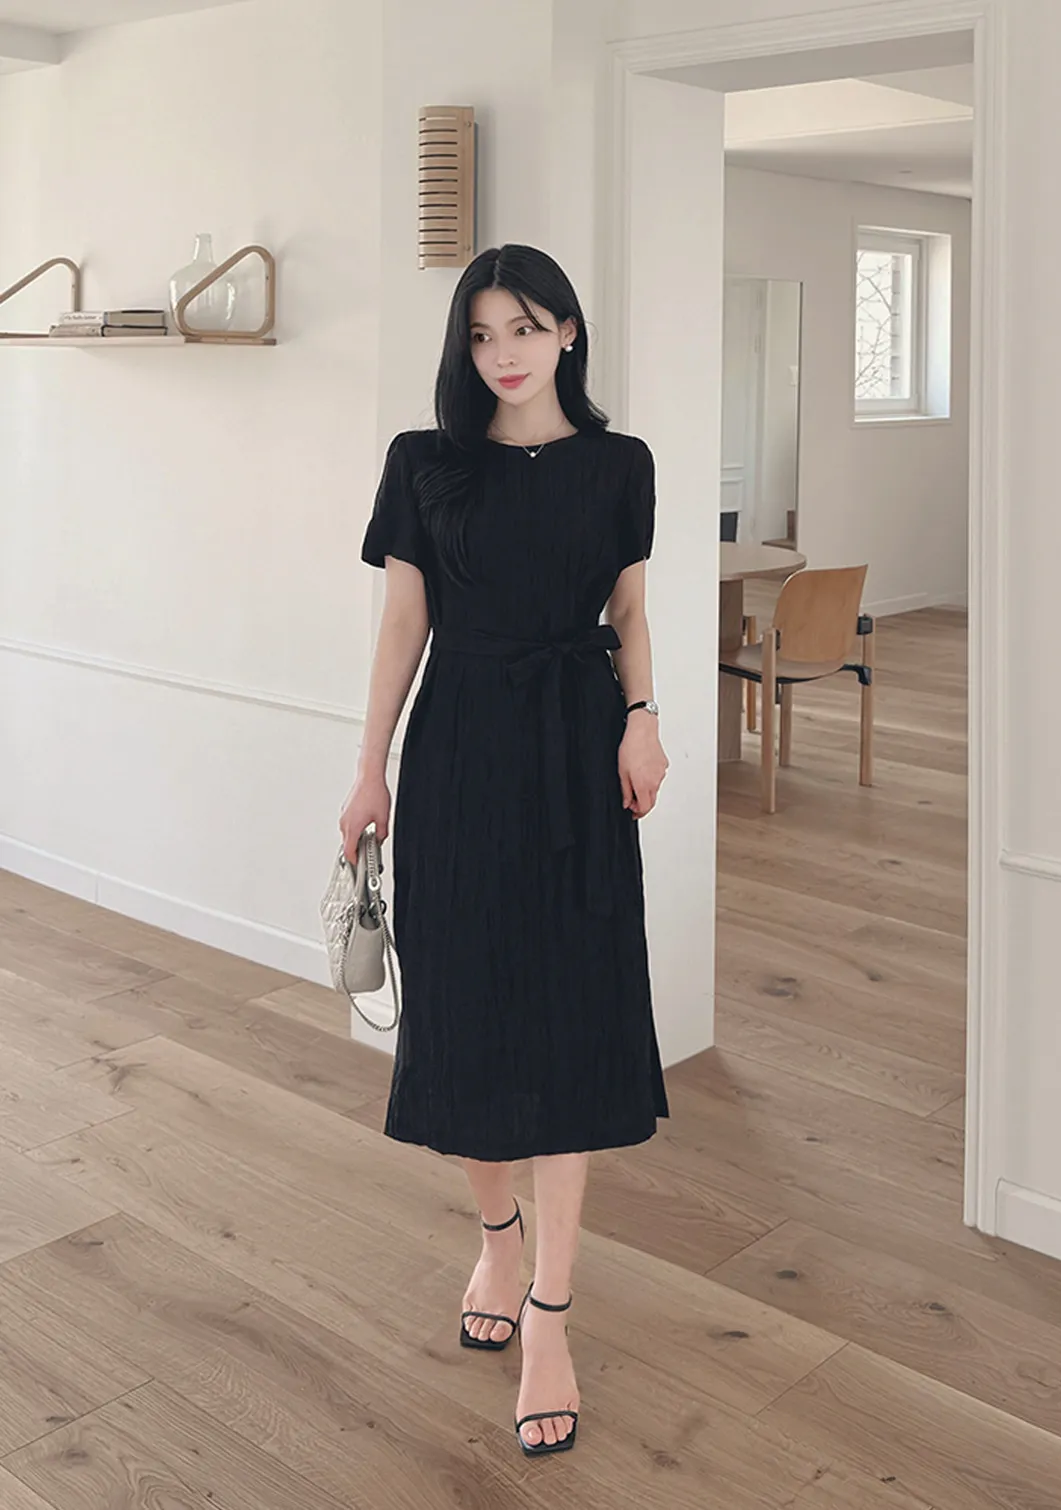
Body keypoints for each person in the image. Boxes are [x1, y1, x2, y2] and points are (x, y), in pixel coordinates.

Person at [339, 243, 670, 1458]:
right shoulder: (424, 462)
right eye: (481, 335)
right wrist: (369, 767)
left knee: (572, 1020)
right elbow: (403, 624)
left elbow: (629, 609)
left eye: (525, 328)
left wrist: (643, 717)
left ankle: (551, 1316)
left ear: (568, 331)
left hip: (579, 748)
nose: (504, 354)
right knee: (467, 1013)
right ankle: (496, 1238)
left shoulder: (621, 465)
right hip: (462, 751)